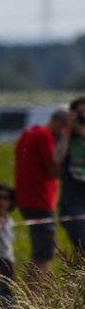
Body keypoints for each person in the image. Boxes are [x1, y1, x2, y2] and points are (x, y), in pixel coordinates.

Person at [14, 108, 69, 282]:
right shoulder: (45, 137)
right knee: (44, 253)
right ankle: (35, 297)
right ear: (62, 126)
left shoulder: (29, 132)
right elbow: (53, 168)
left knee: (44, 248)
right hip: (40, 200)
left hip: (27, 199)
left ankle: (34, 292)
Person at [54, 96, 85, 254]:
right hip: (73, 203)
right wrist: (68, 130)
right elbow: (57, 158)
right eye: (79, 113)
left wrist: (81, 130)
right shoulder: (66, 135)